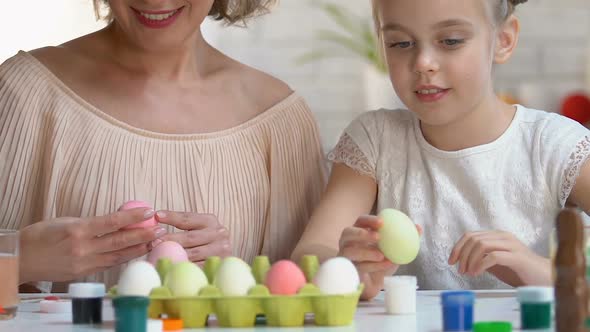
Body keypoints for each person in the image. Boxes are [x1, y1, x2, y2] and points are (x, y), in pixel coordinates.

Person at [0, 0, 326, 292]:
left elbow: (308, 305)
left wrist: (234, 276)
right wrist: (22, 260)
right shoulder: (22, 94)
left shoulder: (280, 119)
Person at [292, 0, 590, 300]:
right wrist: (345, 270)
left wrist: (546, 272)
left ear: (503, 39)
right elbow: (308, 254)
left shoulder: (555, 146)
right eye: (400, 43)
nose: (423, 62)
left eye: (451, 41)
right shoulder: (374, 140)